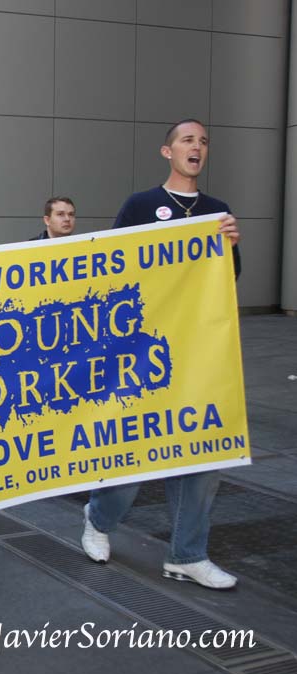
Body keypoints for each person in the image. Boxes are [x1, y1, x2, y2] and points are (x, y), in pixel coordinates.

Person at [81, 118, 241, 590]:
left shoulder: (217, 212)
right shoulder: (141, 205)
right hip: (143, 354)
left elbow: (228, 281)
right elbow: (110, 269)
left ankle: (188, 555)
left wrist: (233, 244)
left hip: (199, 354)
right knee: (133, 458)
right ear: (167, 152)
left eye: (204, 141)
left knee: (203, 455)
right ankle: (98, 517)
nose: (198, 146)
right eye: (188, 140)